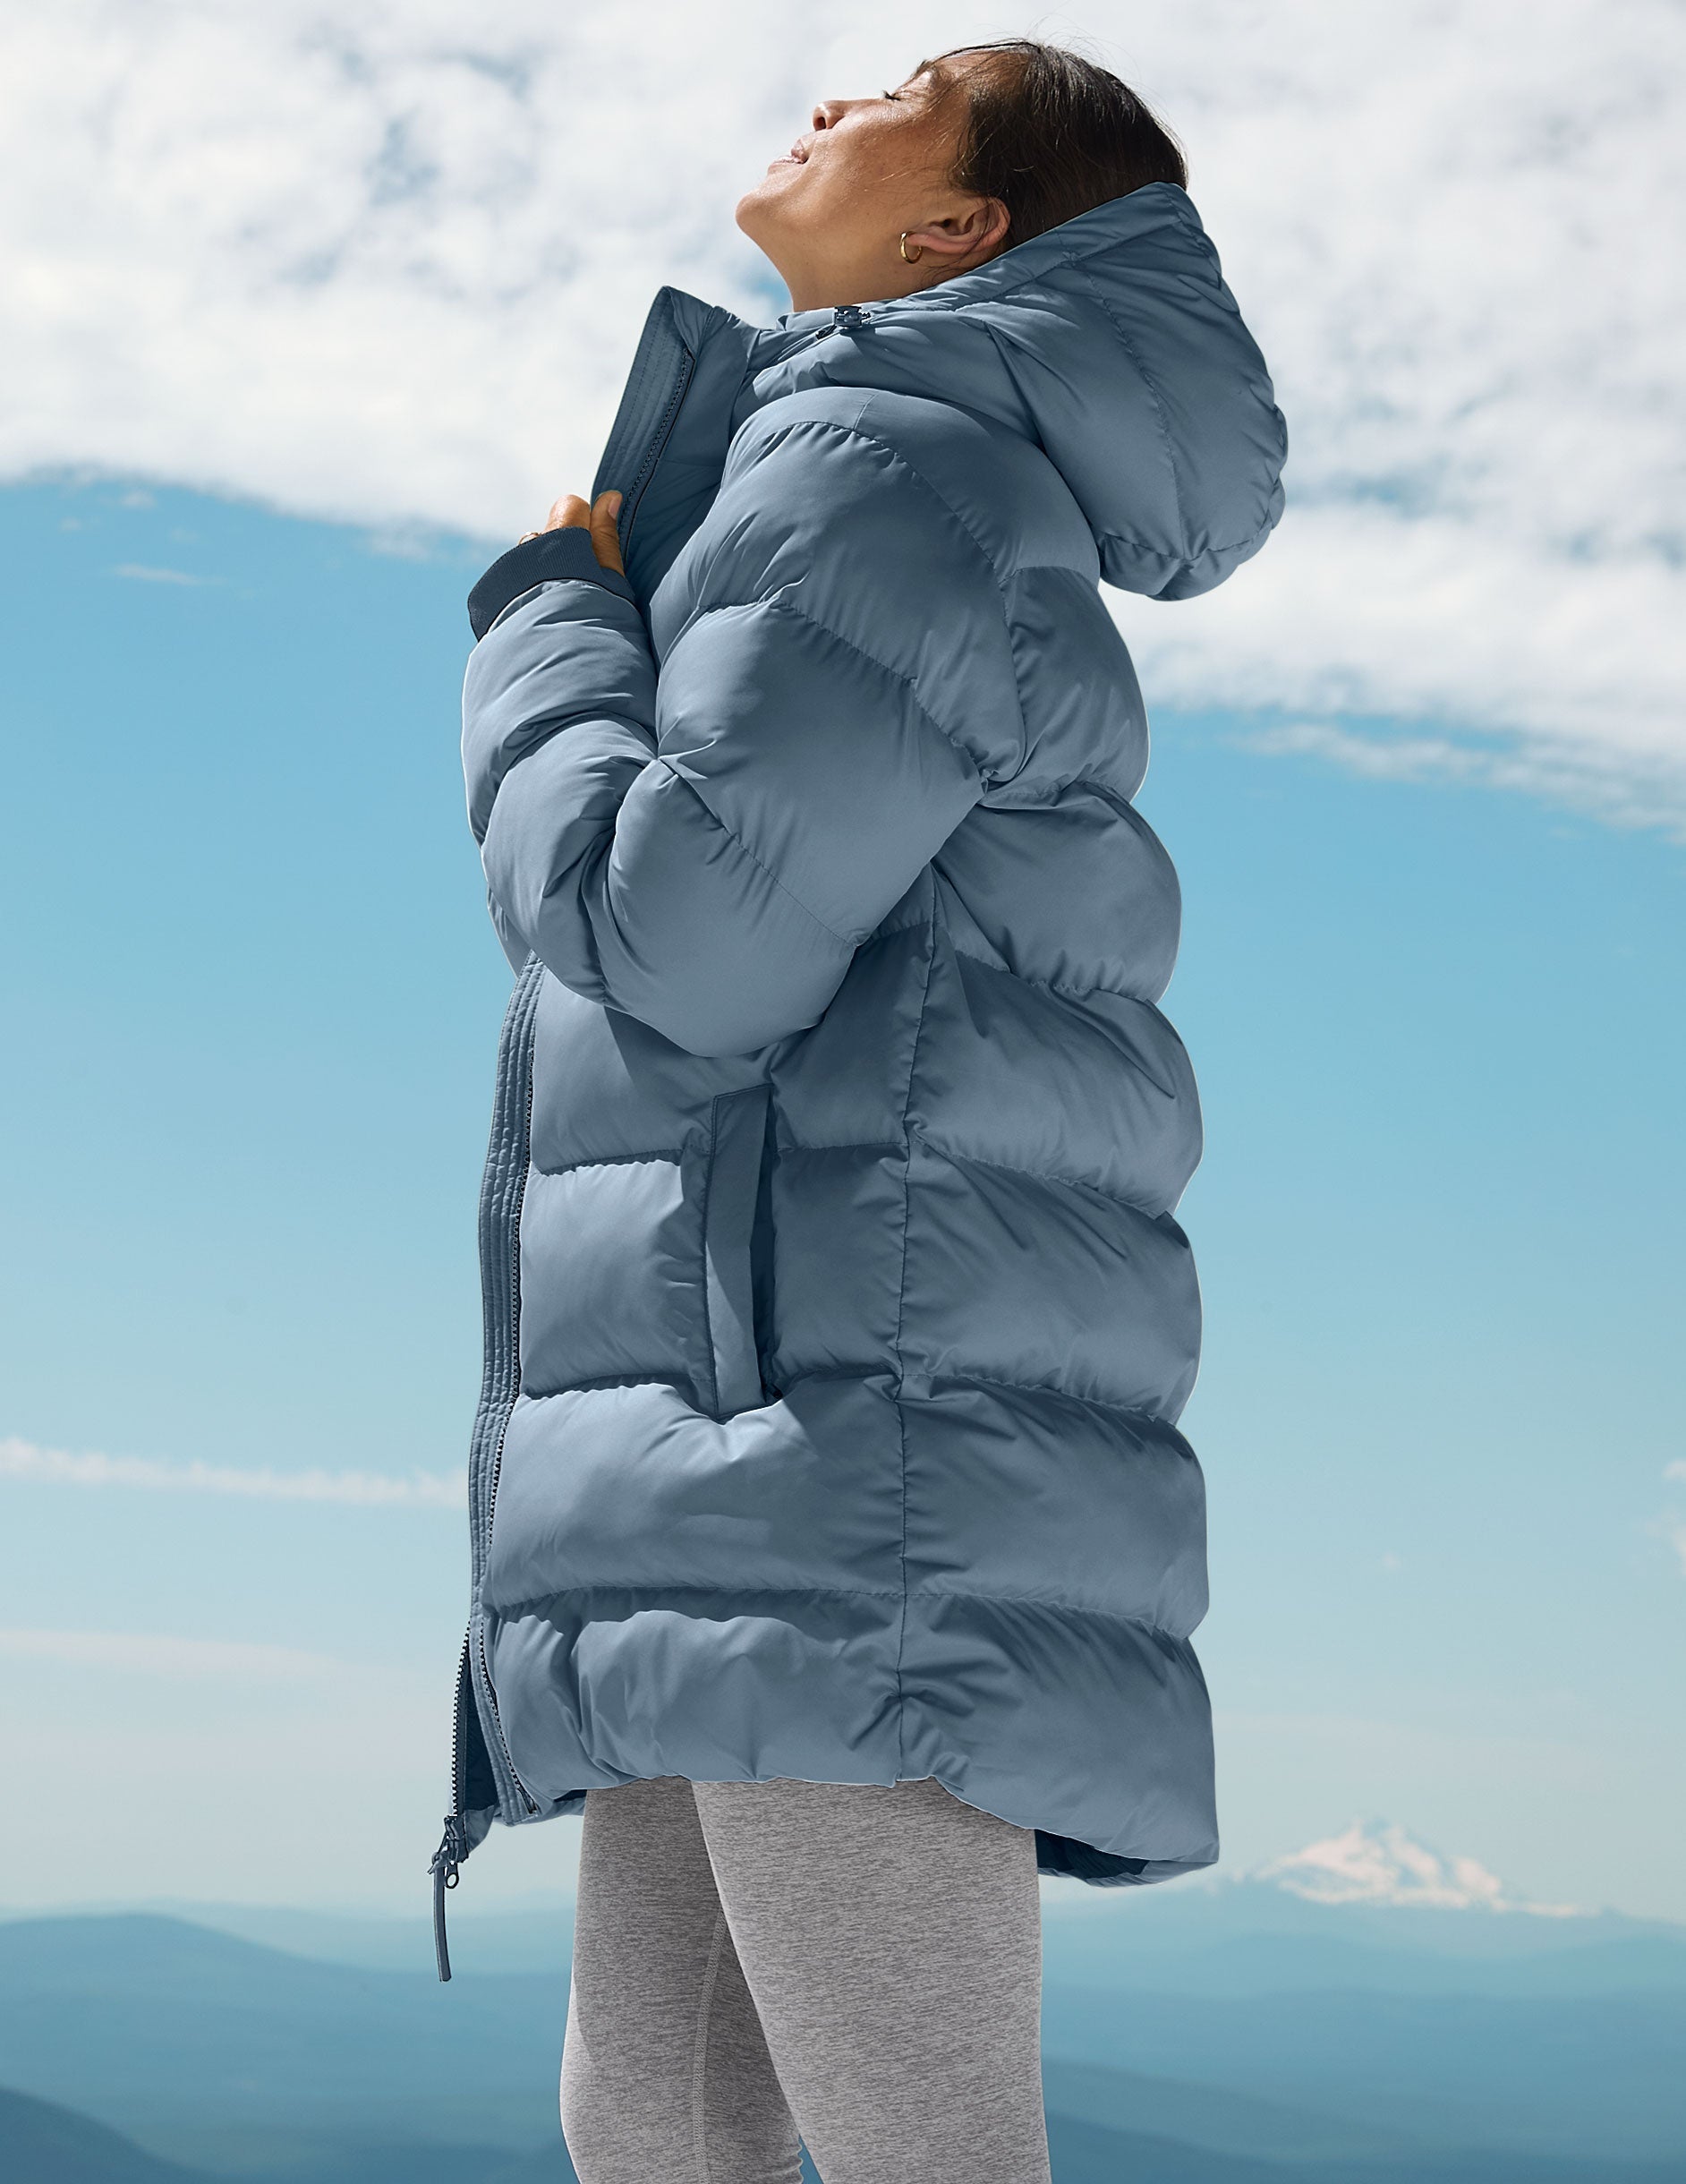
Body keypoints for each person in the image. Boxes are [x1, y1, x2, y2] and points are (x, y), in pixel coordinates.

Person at [435, 38, 1287, 2184]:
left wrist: (543, 634)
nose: (828, 87)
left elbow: (687, 936)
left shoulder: (883, 483)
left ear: (956, 230)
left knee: (901, 2143)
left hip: (832, 1448)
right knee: (657, 2120)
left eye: (905, 88)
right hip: (752, 1430)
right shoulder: (858, 473)